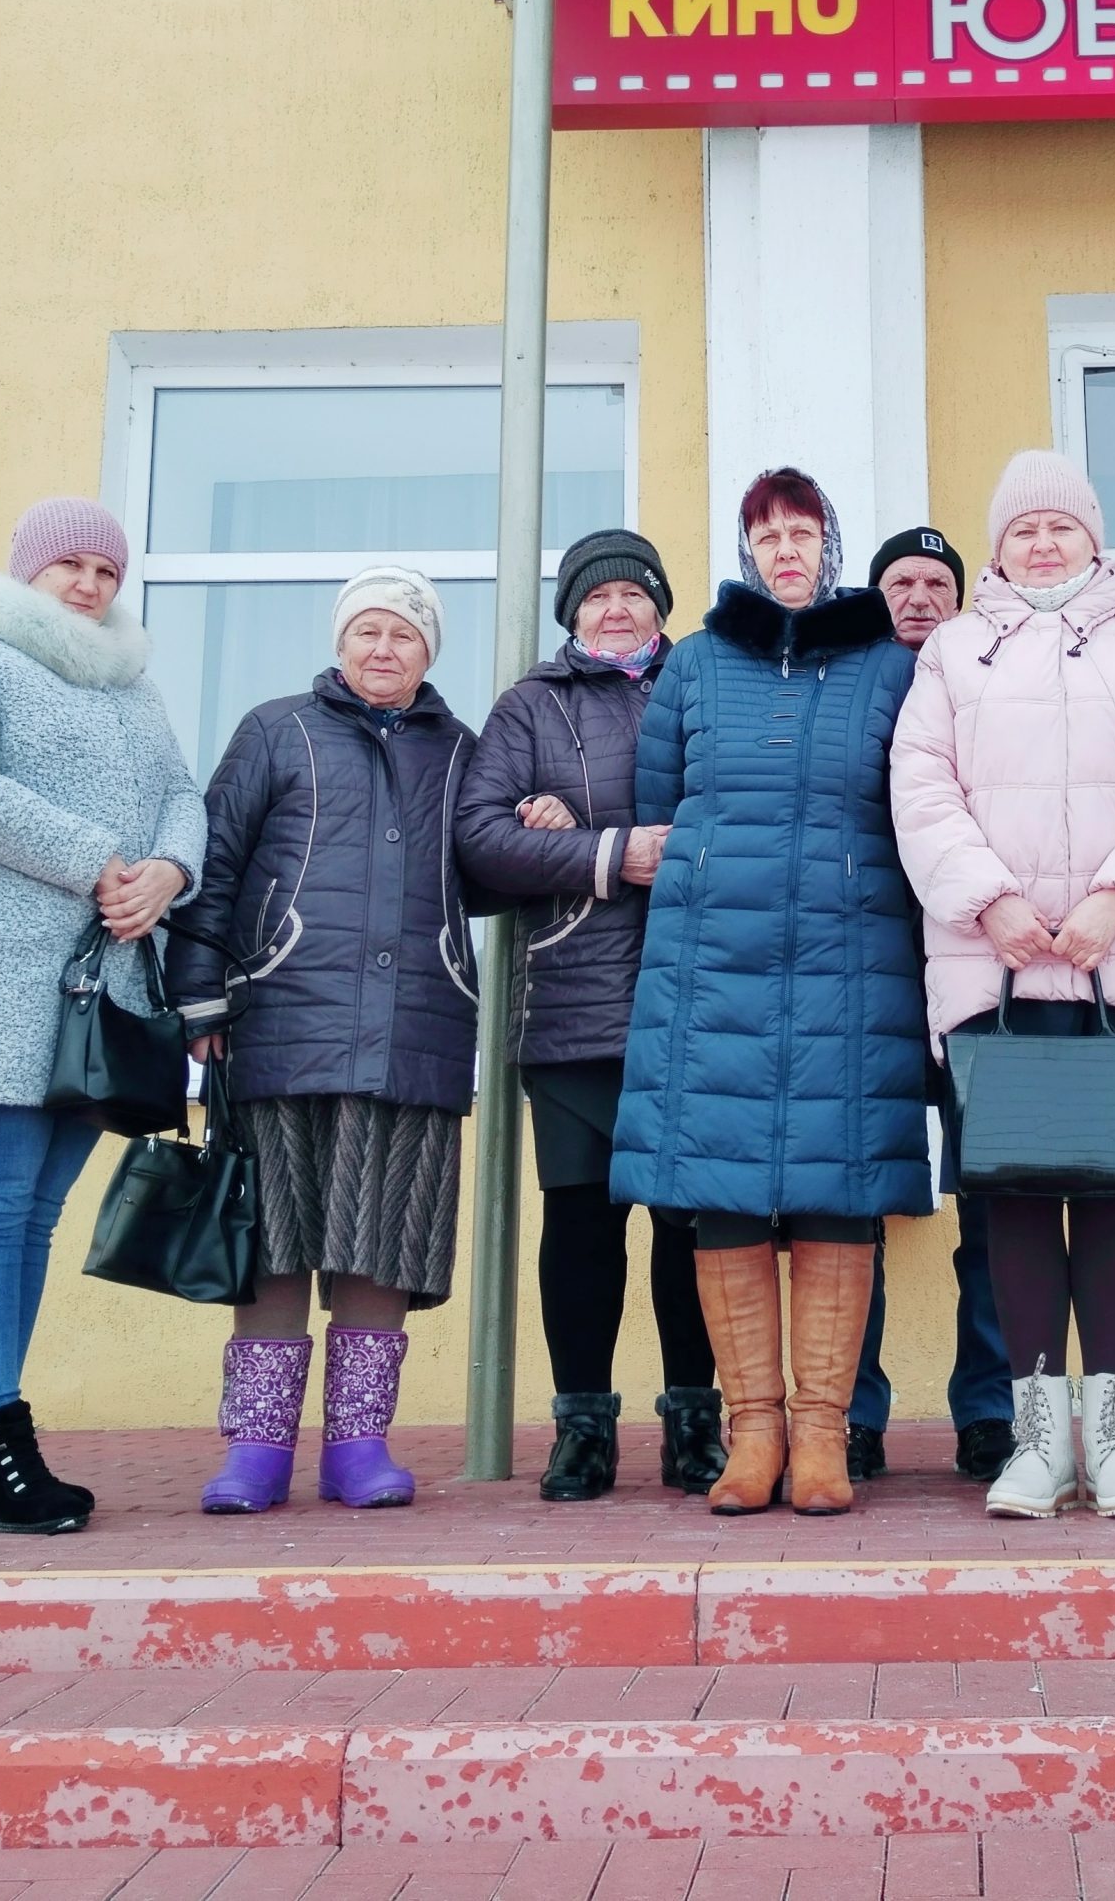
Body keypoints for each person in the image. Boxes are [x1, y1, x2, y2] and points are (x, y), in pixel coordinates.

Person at [891, 454, 1115, 1520]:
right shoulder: (953, 651)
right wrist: (990, 903)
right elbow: (921, 791)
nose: (1041, 544)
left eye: (1060, 527)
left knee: (1110, 1195)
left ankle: (1113, 1443)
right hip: (992, 976)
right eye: (1022, 529)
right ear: (996, 547)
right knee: (1017, 1205)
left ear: (1092, 538)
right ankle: (1038, 1444)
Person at [613, 468, 933, 1516]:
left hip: (855, 961)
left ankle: (823, 1434)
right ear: (746, 551)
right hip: (712, 968)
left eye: (802, 532)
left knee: (840, 1191)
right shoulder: (697, 664)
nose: (785, 551)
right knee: (723, 1197)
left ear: (828, 546)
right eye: (767, 535)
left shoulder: (890, 665)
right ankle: (752, 1432)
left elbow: (919, 805)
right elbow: (659, 807)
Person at [0, 496, 205, 1535]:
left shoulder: (132, 686)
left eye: (107, 570)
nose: (88, 583)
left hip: (103, 986)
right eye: (70, 564)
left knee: (35, 1211)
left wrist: (169, 871)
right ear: (29, 568)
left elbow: (180, 793)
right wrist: (98, 862)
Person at [168, 564, 490, 1514]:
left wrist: (540, 818)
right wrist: (200, 997)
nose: (384, 648)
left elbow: (493, 870)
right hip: (279, 1024)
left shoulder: (461, 751)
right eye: (368, 631)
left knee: (382, 1240)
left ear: (429, 652)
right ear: (340, 642)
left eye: (405, 634)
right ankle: (256, 1452)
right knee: (274, 1239)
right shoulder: (277, 731)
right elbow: (215, 864)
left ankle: (359, 1448)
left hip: (415, 1030)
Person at [453, 528, 724, 1503]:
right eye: (595, 597)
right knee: (580, 1223)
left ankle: (695, 1424)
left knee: (692, 1224)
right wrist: (606, 853)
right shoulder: (531, 706)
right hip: (572, 1003)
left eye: (632, 594)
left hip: (699, 1000)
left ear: (660, 606)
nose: (615, 610)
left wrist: (582, 829)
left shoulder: (706, 685)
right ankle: (582, 1430)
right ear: (572, 613)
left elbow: (747, 812)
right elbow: (479, 842)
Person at [849, 525, 1015, 1487]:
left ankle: (988, 1409)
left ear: (961, 598)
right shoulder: (847, 687)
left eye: (936, 583)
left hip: (980, 973)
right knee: (856, 1203)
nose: (918, 597)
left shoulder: (995, 681)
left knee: (991, 1207)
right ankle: (854, 1411)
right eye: (899, 582)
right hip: (865, 977)